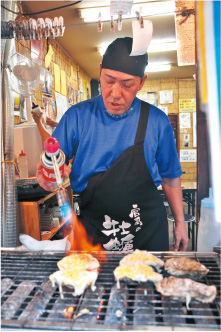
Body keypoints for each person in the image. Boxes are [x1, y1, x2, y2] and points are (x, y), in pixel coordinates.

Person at [36, 37, 188, 252]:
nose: (116, 94)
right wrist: (49, 176)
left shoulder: (157, 121)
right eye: (109, 81)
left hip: (147, 230)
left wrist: (180, 223)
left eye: (127, 85)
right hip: (96, 230)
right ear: (100, 72)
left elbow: (171, 178)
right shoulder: (77, 117)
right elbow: (52, 162)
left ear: (142, 82)